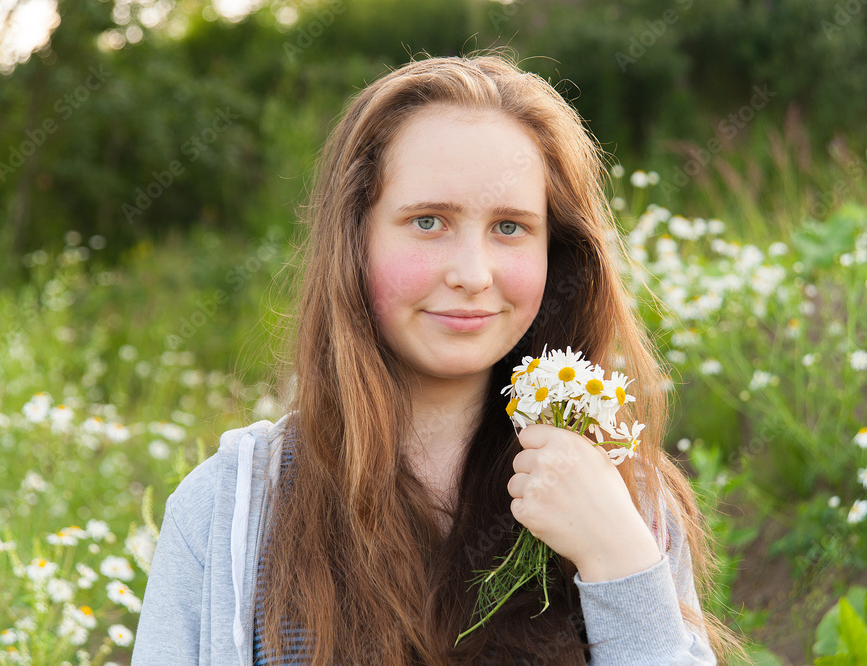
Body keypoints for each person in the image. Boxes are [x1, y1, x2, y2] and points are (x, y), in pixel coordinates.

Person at [132, 49, 746, 665]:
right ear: (355, 239)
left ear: (554, 252)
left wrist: (620, 564)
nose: (473, 274)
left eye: (510, 227)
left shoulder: (623, 497)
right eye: (429, 222)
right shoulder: (228, 512)